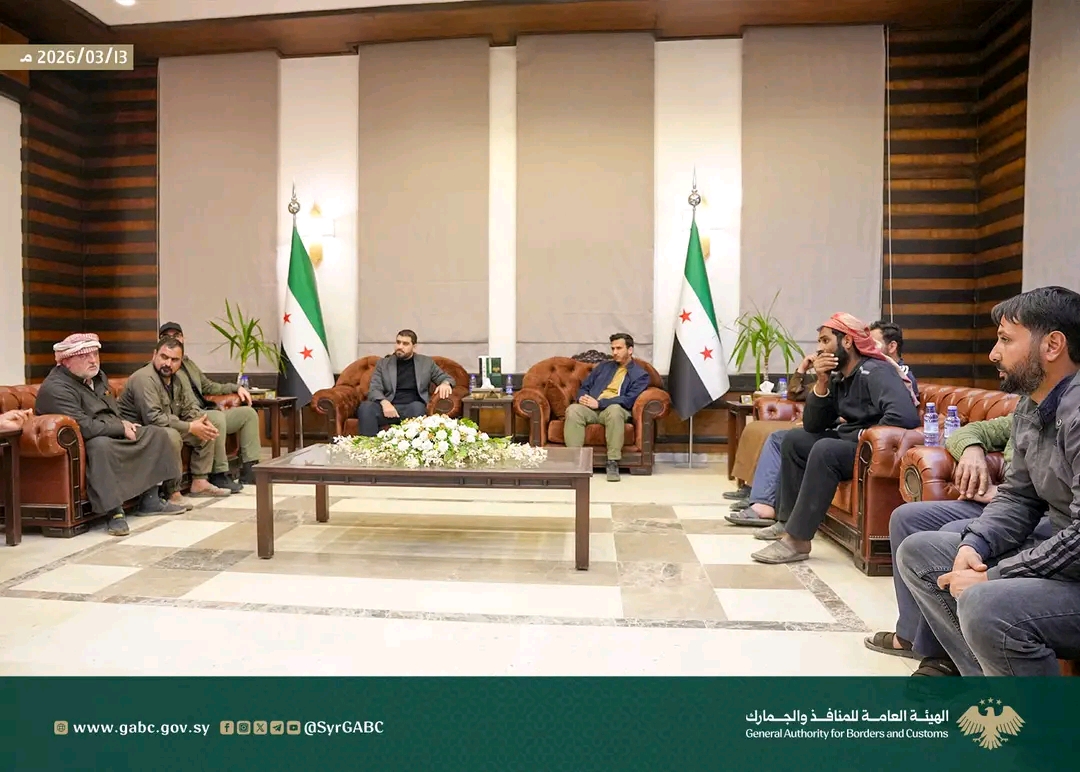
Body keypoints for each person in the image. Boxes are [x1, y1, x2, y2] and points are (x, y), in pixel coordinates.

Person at [897, 286, 1080, 676]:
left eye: (1005, 340)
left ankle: (1038, 718)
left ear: (1052, 345)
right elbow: (1019, 498)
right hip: (1064, 560)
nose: (994, 354)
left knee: (985, 604)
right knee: (920, 552)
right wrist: (975, 544)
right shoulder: (1032, 405)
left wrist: (995, 576)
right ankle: (989, 691)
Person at [865, 414, 1053, 675]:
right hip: (1002, 503)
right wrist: (972, 450)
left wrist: (1006, 497)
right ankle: (908, 634)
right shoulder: (1027, 410)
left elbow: (1046, 495)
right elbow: (971, 430)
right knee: (906, 519)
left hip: (1034, 513)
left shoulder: (1065, 414)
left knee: (952, 535)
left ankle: (940, 656)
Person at [750, 313, 920, 564]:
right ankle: (786, 523)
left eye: (825, 341)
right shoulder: (839, 377)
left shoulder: (876, 371)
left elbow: (904, 416)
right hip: (852, 444)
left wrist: (861, 435)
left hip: (871, 449)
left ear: (847, 342)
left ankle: (798, 540)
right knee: (795, 440)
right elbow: (813, 425)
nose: (819, 348)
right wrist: (822, 382)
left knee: (825, 448)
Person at [33, 333, 185, 537]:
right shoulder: (56, 388)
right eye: (84, 356)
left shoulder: (97, 377)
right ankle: (114, 512)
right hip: (89, 440)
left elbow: (112, 410)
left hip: (109, 429)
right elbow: (83, 426)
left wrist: (125, 424)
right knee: (101, 446)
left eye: (95, 354)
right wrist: (120, 428)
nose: (93, 360)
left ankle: (151, 500)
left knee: (156, 434)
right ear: (66, 361)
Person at [118, 336, 234, 498]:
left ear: (181, 362)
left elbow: (188, 408)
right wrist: (190, 427)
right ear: (154, 355)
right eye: (164, 357)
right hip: (137, 430)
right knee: (172, 435)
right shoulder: (143, 378)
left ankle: (200, 482)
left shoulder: (177, 379)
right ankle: (172, 492)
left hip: (162, 426)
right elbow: (154, 418)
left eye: (174, 360)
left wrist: (199, 421)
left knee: (206, 428)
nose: (168, 363)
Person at [157, 321, 262, 484]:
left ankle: (250, 470)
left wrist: (236, 387)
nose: (172, 339)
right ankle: (219, 474)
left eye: (176, 335)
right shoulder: (163, 368)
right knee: (216, 418)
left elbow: (208, 386)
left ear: (183, 338)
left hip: (205, 409)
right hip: (189, 415)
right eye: (166, 336)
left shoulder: (188, 363)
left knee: (248, 414)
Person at [564, 333, 650, 482]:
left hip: (616, 409)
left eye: (619, 348)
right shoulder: (603, 367)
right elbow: (584, 387)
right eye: (613, 348)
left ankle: (612, 462)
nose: (615, 352)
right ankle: (575, 461)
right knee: (573, 410)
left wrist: (600, 403)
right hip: (592, 409)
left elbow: (629, 400)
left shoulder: (640, 375)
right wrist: (583, 398)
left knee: (614, 410)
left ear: (630, 350)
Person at [357, 329, 454, 437]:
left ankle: (412, 447)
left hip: (412, 408)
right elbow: (374, 388)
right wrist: (385, 403)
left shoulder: (426, 363)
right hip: (389, 407)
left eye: (405, 344)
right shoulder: (383, 364)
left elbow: (445, 377)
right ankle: (369, 445)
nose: (400, 347)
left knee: (417, 407)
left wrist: (445, 383)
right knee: (365, 408)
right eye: (398, 342)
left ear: (414, 346)